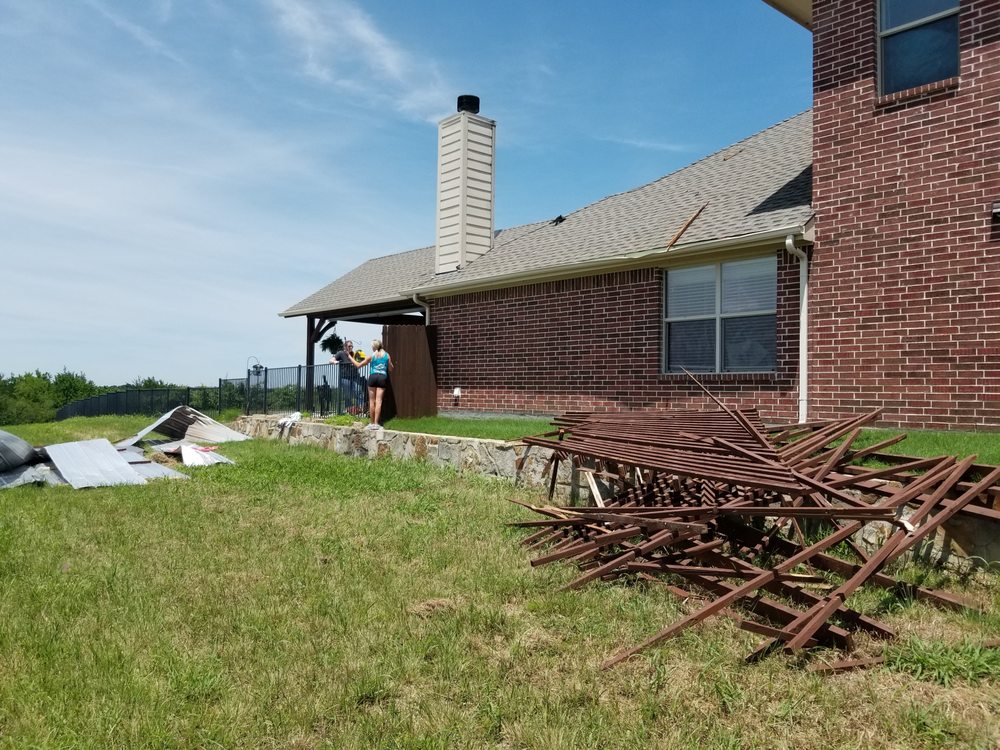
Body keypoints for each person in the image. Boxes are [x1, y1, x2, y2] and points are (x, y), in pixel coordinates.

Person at [353, 339, 393, 429]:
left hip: (373, 377)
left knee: (372, 401)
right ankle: (376, 424)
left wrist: (350, 357)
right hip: (382, 377)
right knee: (379, 401)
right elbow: (391, 368)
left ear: (374, 347)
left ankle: (371, 424)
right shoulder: (387, 355)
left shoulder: (372, 356)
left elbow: (358, 365)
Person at [329, 341, 364, 413]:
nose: (351, 347)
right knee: (348, 394)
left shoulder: (354, 354)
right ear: (345, 347)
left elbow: (361, 361)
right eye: (349, 346)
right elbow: (331, 360)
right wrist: (335, 362)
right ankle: (349, 410)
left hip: (355, 376)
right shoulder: (341, 353)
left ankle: (361, 409)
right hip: (345, 378)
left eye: (352, 346)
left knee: (359, 391)